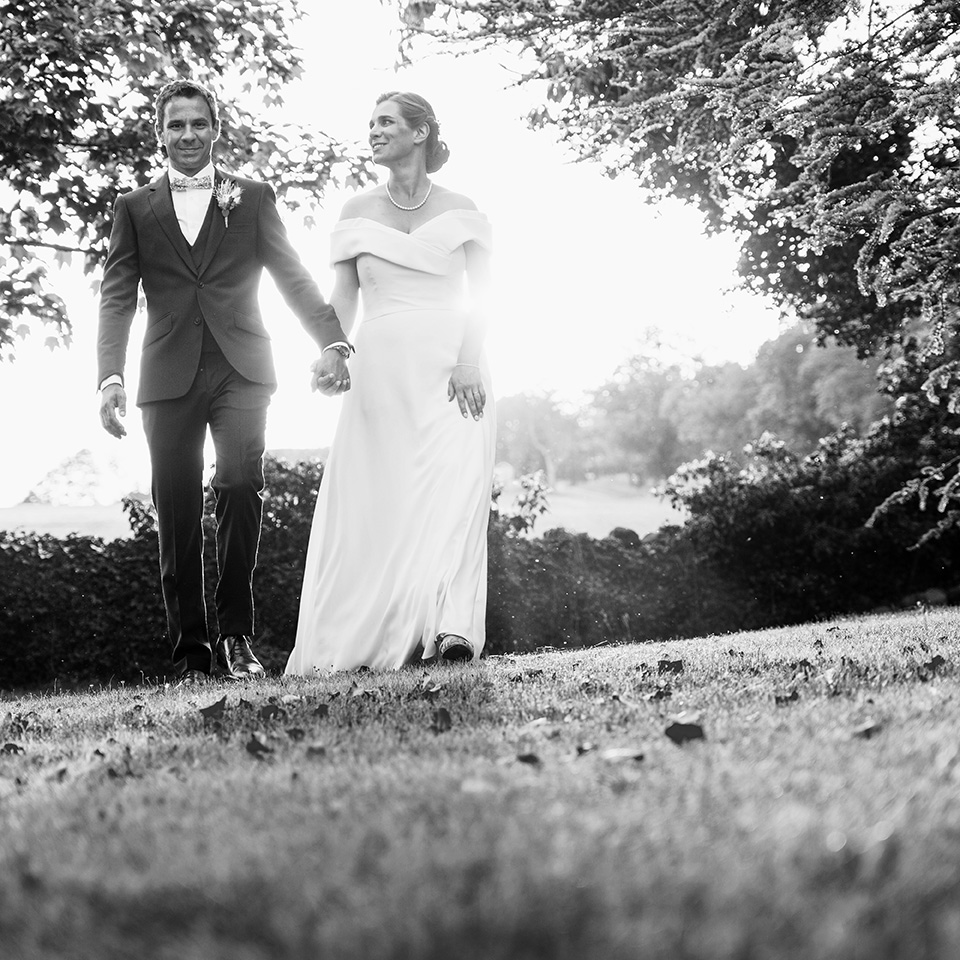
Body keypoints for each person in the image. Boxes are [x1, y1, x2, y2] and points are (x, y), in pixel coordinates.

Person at [97, 79, 352, 685]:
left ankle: (238, 637)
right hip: (165, 377)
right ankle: (191, 654)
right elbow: (115, 296)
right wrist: (109, 374)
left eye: (198, 124)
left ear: (216, 128)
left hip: (242, 369)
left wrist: (333, 340)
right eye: (175, 125)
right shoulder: (133, 208)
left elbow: (292, 275)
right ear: (159, 134)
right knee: (177, 511)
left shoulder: (253, 197)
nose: (188, 135)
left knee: (240, 484)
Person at [284, 91, 495, 674]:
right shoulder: (355, 210)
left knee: (457, 495)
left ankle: (451, 630)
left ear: (421, 132)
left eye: (386, 122)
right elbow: (343, 297)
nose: (374, 131)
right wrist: (332, 350)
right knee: (381, 506)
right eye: (370, 123)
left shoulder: (461, 206)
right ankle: (373, 632)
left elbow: (486, 293)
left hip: (455, 371)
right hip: (379, 373)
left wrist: (470, 360)